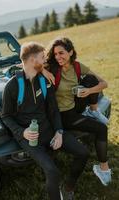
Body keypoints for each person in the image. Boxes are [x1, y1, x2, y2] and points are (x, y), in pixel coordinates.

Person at [1, 42, 89, 200]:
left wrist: (59, 131)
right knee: (52, 171)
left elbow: (53, 110)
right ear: (32, 60)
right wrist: (23, 133)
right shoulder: (12, 86)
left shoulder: (43, 81)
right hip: (29, 138)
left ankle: (68, 187)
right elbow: (6, 116)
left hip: (49, 130)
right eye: (42, 58)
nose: (45, 61)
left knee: (83, 152)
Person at [45, 37, 112, 187]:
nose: (58, 57)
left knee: (90, 79)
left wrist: (88, 91)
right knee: (101, 128)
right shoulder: (51, 67)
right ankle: (104, 169)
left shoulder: (77, 66)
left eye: (61, 53)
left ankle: (93, 111)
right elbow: (29, 64)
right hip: (62, 115)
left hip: (74, 107)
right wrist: (43, 69)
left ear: (71, 52)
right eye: (55, 54)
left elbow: (104, 83)